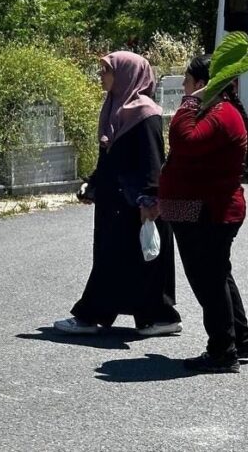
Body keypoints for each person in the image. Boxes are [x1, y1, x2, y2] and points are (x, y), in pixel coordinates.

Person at [54, 52, 182, 336]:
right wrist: (93, 184)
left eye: (106, 71)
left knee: (131, 260)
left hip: (135, 203)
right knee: (120, 260)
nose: (101, 76)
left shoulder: (145, 113)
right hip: (115, 201)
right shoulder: (114, 107)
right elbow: (109, 159)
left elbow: (152, 161)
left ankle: (93, 316)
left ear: (126, 74)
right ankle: (154, 317)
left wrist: (150, 199)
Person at [150, 54, 248, 373]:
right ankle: (241, 338)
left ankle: (222, 352)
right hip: (206, 211)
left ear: (201, 84)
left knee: (209, 281)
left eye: (186, 82)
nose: (183, 87)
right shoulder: (219, 110)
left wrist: (189, 103)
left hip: (208, 213)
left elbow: (184, 141)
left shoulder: (219, 112)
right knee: (217, 275)